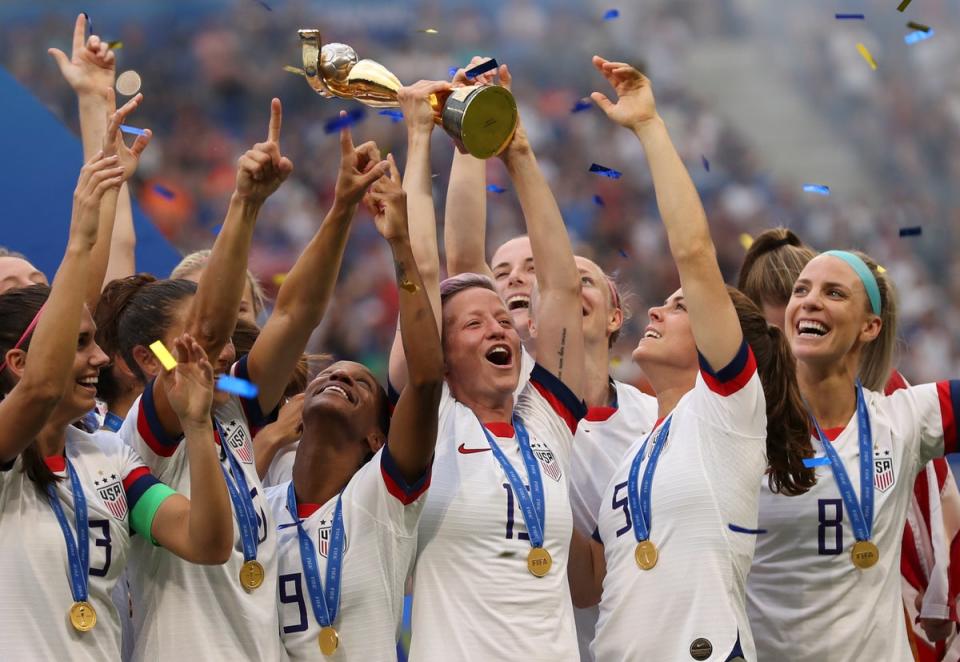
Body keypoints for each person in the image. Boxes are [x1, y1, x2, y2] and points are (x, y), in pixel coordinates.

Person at [111, 102, 387, 661]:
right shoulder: (146, 432)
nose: (210, 346)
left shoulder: (235, 404)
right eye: (187, 337)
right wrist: (246, 202)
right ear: (148, 359)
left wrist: (341, 208)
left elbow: (296, 313)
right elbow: (210, 330)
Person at [578, 57, 815, 661]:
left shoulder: (727, 412)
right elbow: (593, 584)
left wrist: (650, 127)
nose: (655, 311)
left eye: (679, 307)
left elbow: (691, 248)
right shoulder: (635, 450)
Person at [439, 59, 659, 660]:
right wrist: (473, 132)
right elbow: (461, 263)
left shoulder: (652, 416)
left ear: (617, 312)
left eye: (535, 268)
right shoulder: (518, 397)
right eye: (503, 273)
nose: (516, 281)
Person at [0, 152, 233, 661]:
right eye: (81, 343)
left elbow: (208, 543)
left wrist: (196, 427)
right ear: (19, 361)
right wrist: (81, 238)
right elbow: (39, 390)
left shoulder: (107, 456)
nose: (101, 358)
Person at [390, 78, 587, 660]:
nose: (499, 328)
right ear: (442, 356)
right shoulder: (434, 418)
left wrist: (518, 151)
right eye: (473, 325)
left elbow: (560, 286)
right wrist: (418, 138)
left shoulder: (546, 420)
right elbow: (424, 268)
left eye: (502, 319)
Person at [739, 228, 960, 661]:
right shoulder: (742, 425)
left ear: (870, 326)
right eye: (801, 290)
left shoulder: (903, 418)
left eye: (834, 293)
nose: (809, 300)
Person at [268, 153, 443, 660]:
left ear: (376, 438)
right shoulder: (260, 505)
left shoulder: (383, 499)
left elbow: (426, 380)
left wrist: (400, 246)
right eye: (329, 374)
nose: (340, 374)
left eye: (360, 383)